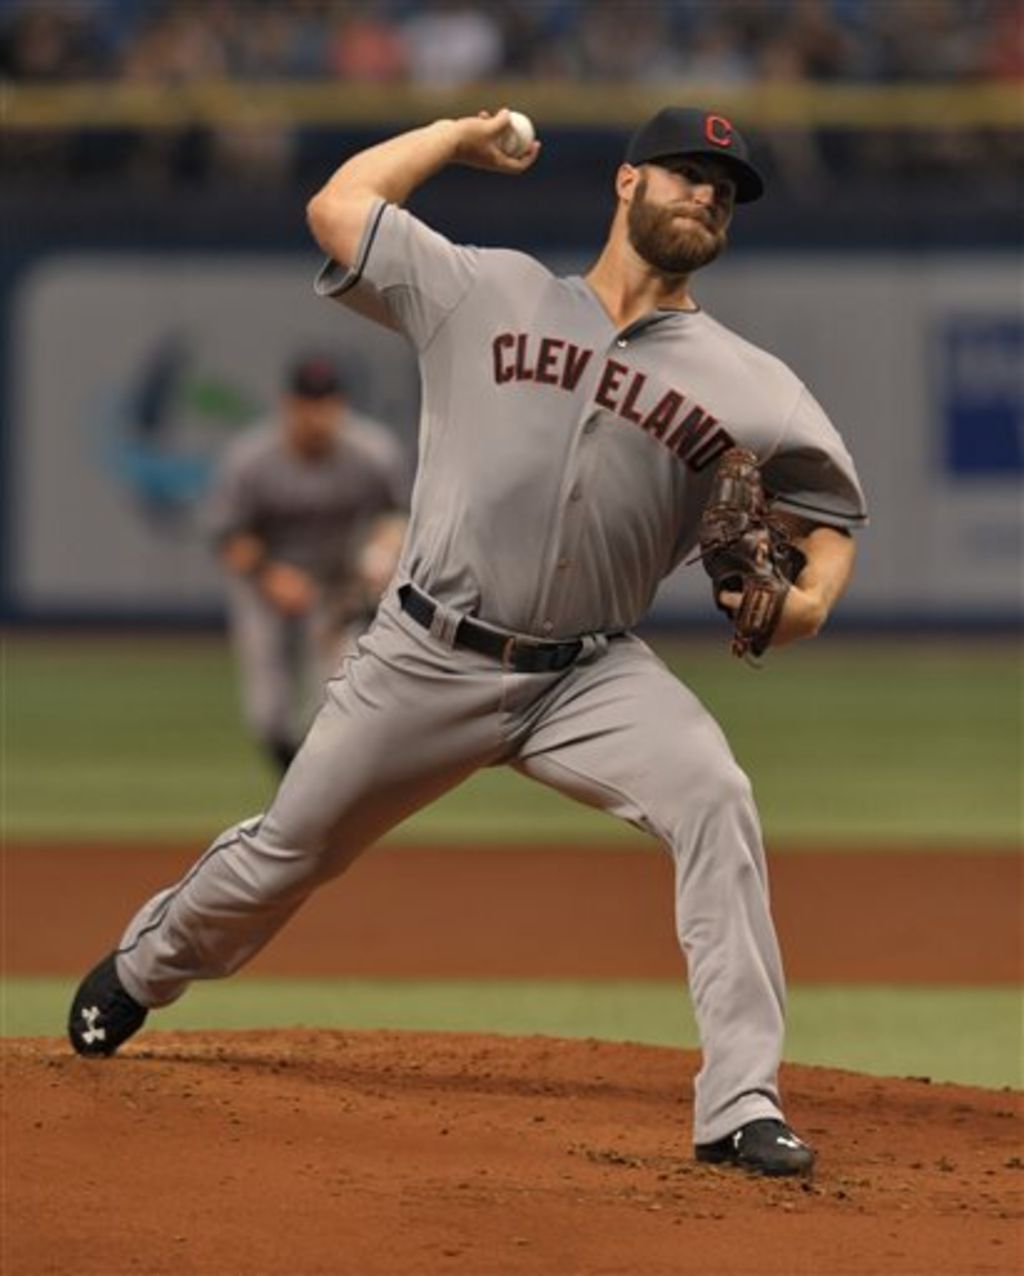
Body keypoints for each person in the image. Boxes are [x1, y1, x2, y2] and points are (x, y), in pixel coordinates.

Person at [68, 106, 867, 1177]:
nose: (707, 194)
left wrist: (809, 602)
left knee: (716, 797)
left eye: (725, 188)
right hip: (423, 653)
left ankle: (739, 1103)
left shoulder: (754, 385)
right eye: (686, 172)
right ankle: (144, 967)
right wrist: (453, 135)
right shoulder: (483, 289)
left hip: (588, 673)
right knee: (286, 853)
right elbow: (338, 208)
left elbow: (833, 518)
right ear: (627, 182)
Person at [206, 354, 408, 773]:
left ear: (341, 405)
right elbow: (227, 535)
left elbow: (401, 514)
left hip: (337, 586)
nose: (318, 416)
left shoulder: (372, 451)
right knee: (269, 710)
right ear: (289, 405)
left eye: (327, 404)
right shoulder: (252, 457)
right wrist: (269, 574)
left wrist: (383, 551)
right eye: (308, 404)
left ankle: (311, 791)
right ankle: (292, 780)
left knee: (332, 699)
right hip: (265, 581)